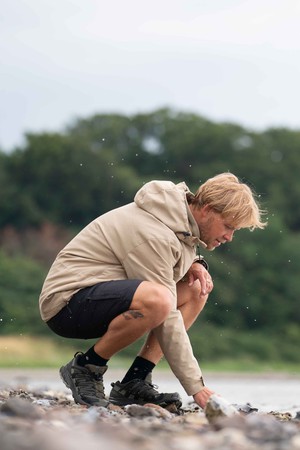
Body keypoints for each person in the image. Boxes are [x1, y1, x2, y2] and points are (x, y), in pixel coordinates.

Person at [39, 173, 267, 410]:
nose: (229, 237)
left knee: (195, 289)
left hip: (99, 294)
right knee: (159, 301)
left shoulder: (177, 222)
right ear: (207, 209)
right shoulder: (154, 232)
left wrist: (194, 262)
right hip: (66, 305)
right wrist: (196, 388)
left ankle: (135, 381)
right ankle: (87, 368)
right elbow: (166, 311)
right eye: (229, 226)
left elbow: (172, 250)